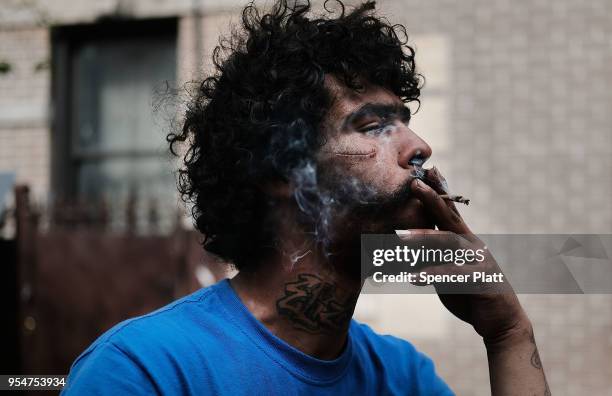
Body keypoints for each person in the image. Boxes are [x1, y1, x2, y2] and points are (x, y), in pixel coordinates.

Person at [63, 1, 550, 394]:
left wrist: (508, 334)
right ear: (282, 170)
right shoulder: (145, 373)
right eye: (374, 126)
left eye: (405, 121)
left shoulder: (402, 377)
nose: (419, 147)